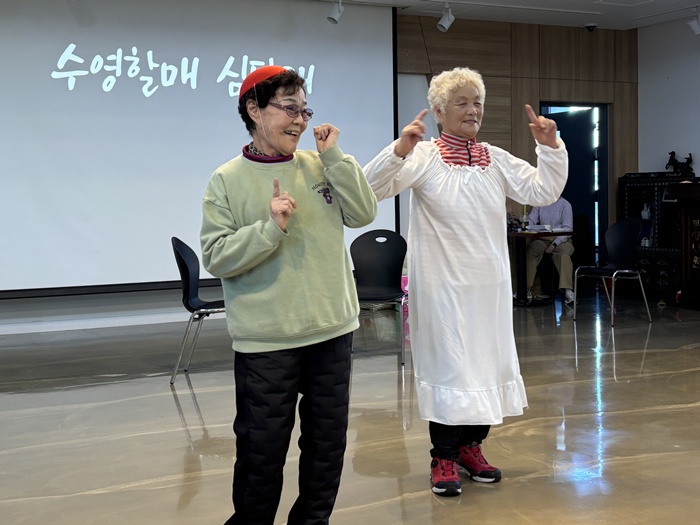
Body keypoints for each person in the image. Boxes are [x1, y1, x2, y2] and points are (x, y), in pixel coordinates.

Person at [363, 67, 568, 497]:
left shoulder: (494, 158)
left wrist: (550, 148)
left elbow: (542, 191)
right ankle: (442, 455)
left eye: (477, 102)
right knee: (450, 366)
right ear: (439, 111)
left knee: (486, 363)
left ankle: (471, 447)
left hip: (489, 286)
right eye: (462, 102)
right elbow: (371, 188)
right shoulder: (426, 155)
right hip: (441, 287)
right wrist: (399, 149)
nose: (473, 110)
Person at [200, 65, 378, 525]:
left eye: (304, 110)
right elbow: (216, 256)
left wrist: (335, 156)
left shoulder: (321, 164)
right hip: (267, 338)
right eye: (288, 109)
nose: (299, 121)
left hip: (331, 329)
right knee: (262, 451)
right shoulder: (226, 179)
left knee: (326, 448)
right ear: (254, 110)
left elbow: (363, 213)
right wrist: (270, 228)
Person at [525, 197, 575, 304]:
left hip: (562, 240)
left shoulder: (565, 205)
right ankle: (526, 289)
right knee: (531, 251)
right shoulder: (540, 202)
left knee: (564, 255)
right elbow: (531, 221)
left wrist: (554, 244)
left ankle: (568, 290)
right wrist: (526, 223)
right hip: (543, 239)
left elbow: (568, 229)